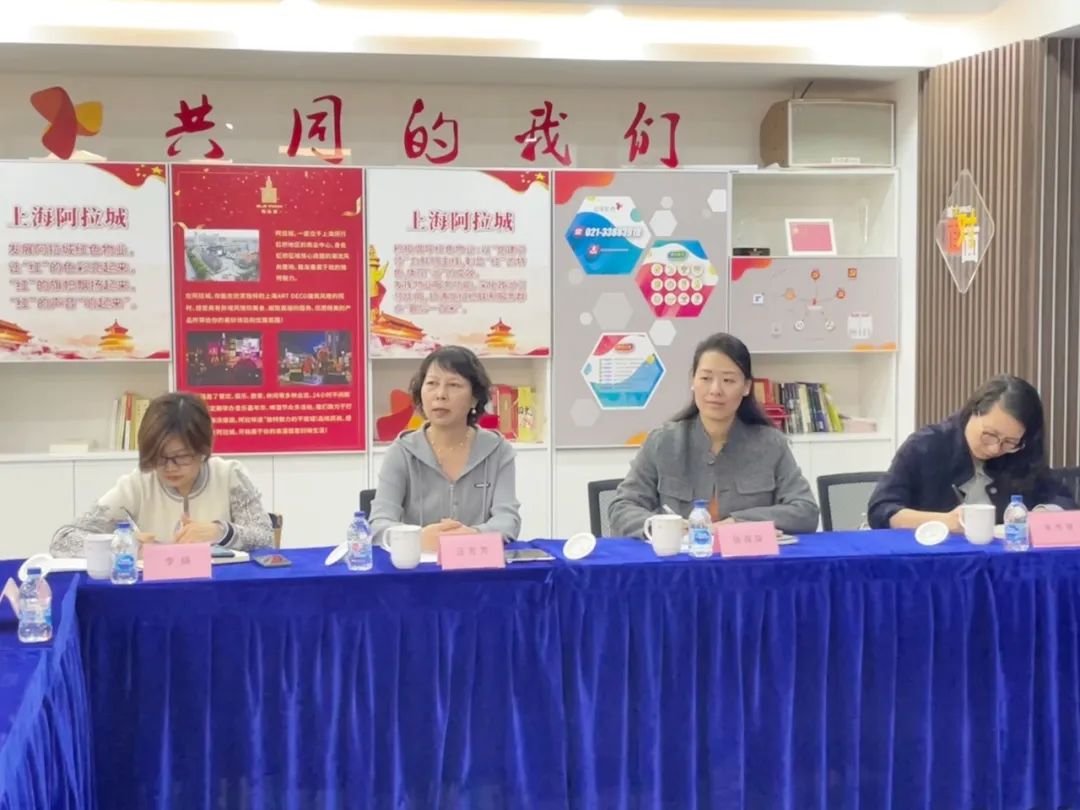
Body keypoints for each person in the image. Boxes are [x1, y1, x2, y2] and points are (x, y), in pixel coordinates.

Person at [608, 333, 819, 538]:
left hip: (748, 560)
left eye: (728, 380)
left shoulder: (771, 444)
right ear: (693, 381)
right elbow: (622, 508)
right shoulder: (661, 442)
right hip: (679, 559)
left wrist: (738, 523)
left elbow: (805, 511)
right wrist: (664, 527)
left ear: (746, 387)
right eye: (706, 378)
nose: (715, 390)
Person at [51, 392, 274, 557]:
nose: (169, 467)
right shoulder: (138, 484)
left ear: (203, 450)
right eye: (159, 457)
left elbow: (265, 537)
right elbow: (63, 540)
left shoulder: (230, 475)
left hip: (221, 594)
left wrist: (219, 532)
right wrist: (122, 543)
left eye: (181, 456)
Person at [868, 374, 1075, 532]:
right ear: (974, 411)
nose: (995, 449)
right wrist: (945, 522)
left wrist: (1043, 514)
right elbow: (881, 509)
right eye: (990, 435)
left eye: (1009, 442)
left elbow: (1063, 499)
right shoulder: (926, 446)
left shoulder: (1020, 453)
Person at [369, 345, 521, 551]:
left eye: (454, 385)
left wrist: (474, 535)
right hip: (419, 565)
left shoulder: (498, 450)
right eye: (432, 383)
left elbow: (508, 520)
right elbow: (379, 524)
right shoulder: (402, 451)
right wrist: (418, 538)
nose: (440, 394)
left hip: (477, 562)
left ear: (474, 398)